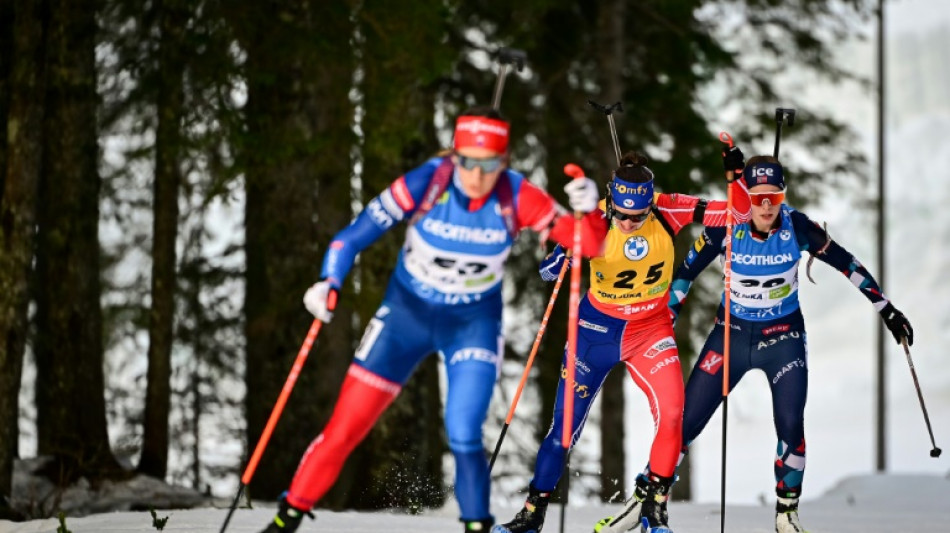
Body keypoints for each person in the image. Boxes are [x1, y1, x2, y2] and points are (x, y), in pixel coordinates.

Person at [260, 106, 609, 533]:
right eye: (466, 162)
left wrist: (588, 209)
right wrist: (329, 281)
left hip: (472, 322)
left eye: (489, 165)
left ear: (504, 161)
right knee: (345, 428)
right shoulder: (428, 181)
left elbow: (589, 245)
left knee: (463, 432)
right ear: (453, 155)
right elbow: (351, 237)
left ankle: (477, 526)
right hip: (406, 316)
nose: (476, 176)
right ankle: (284, 520)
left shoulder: (517, 195)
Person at [594, 153, 914, 533]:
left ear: (783, 196)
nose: (765, 206)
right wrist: (668, 316)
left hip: (783, 338)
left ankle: (786, 514)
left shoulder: (797, 226)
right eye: (757, 196)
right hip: (730, 336)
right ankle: (644, 501)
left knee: (791, 423)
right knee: (683, 424)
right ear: (744, 195)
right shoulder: (727, 224)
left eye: (773, 198)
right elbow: (685, 274)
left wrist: (887, 309)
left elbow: (848, 264)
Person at [493, 149, 752, 533]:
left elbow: (740, 215)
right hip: (595, 335)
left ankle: (654, 510)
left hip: (650, 331)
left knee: (672, 418)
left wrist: (738, 179)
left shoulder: (668, 210)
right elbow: (557, 252)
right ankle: (532, 514)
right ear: (610, 202)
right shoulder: (594, 218)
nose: (629, 223)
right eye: (622, 214)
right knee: (563, 431)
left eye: (637, 216)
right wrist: (559, 257)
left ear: (650, 204)